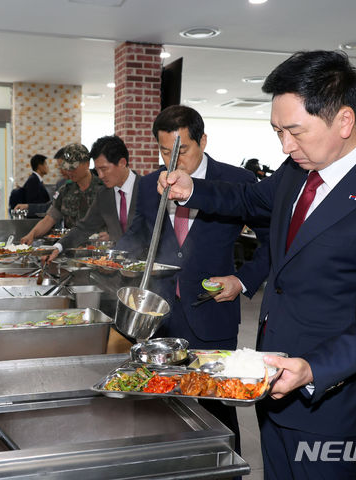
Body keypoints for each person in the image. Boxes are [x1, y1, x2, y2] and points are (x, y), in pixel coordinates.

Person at [158, 50, 356, 479]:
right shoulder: (296, 169)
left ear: (343, 121)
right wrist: (194, 189)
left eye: (295, 131)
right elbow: (249, 199)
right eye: (277, 131)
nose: (285, 146)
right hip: (275, 385)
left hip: (332, 401)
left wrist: (313, 369)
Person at [116, 105, 271, 458]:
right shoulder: (148, 183)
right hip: (161, 314)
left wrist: (242, 280)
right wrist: (119, 257)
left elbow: (273, 242)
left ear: (203, 140)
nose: (172, 160)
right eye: (163, 150)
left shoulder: (237, 182)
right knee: (162, 405)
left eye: (181, 149)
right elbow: (139, 231)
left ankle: (225, 468)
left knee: (217, 406)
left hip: (211, 311)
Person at [47, 135, 141, 262]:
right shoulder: (104, 195)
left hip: (148, 271)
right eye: (97, 170)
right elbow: (84, 227)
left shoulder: (147, 188)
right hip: (117, 270)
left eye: (104, 169)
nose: (100, 175)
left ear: (122, 163)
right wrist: (58, 246)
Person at [20, 143, 104, 244]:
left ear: (87, 164)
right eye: (67, 168)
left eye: (73, 167)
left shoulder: (103, 188)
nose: (69, 172)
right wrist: (31, 234)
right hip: (71, 250)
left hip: (98, 252)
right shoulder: (65, 191)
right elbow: (49, 219)